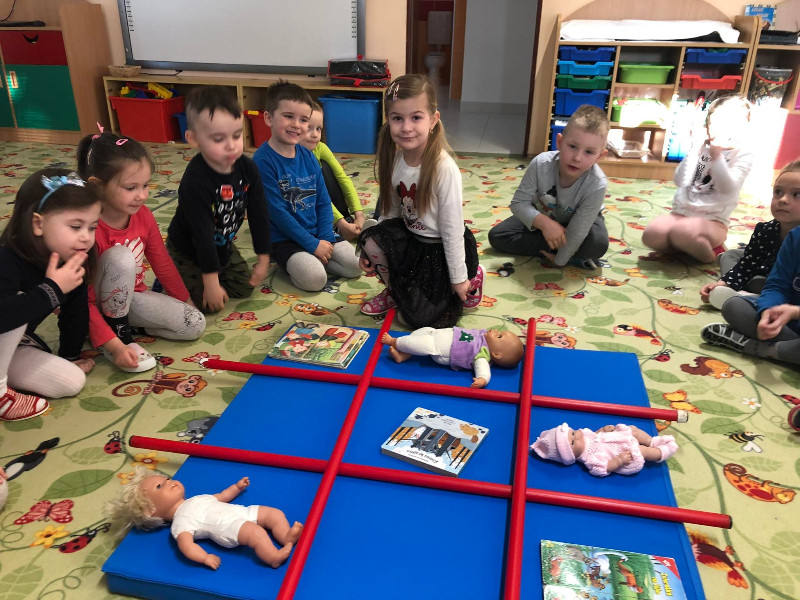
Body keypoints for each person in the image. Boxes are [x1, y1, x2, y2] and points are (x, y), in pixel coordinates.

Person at [358, 74, 483, 328]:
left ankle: (473, 276)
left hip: (439, 249)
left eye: (416, 117)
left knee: (415, 320)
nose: (406, 127)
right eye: (397, 118)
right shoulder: (395, 160)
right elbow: (391, 214)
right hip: (412, 241)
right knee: (371, 238)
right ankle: (395, 291)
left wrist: (459, 278)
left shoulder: (443, 168)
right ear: (388, 120)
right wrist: (373, 248)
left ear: (433, 120)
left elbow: (452, 230)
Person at [77, 132, 206, 373]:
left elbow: (162, 262)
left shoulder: (143, 215)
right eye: (130, 187)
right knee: (121, 256)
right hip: (90, 307)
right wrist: (115, 346)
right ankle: (116, 334)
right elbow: (80, 299)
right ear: (97, 185)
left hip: (131, 299)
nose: (143, 195)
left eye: (145, 185)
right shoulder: (86, 228)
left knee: (194, 323)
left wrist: (186, 301)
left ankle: (124, 325)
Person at [0, 168, 99, 421]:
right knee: (15, 308)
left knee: (72, 381)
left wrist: (70, 355)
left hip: (11, 344)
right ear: (38, 223)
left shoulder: (70, 257)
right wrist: (52, 289)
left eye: (92, 227)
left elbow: (75, 312)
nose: (86, 237)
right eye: (75, 226)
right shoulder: (6, 259)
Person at [167, 86, 272, 313]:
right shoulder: (195, 180)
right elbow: (201, 235)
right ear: (193, 139)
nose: (231, 145)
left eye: (237, 135)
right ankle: (169, 278)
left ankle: (209, 272)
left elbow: (259, 214)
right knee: (207, 305)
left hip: (222, 243)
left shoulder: (248, 168)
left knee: (244, 287)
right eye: (218, 139)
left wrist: (263, 257)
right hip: (188, 249)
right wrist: (211, 282)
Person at [252, 82, 361, 292]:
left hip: (318, 231)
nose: (297, 125)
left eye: (303, 119)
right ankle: (295, 263)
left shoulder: (308, 156)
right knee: (315, 280)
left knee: (356, 265)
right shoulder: (262, 161)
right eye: (288, 116)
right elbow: (278, 214)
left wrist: (324, 238)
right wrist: (312, 245)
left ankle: (315, 259)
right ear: (268, 118)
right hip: (285, 239)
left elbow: (323, 201)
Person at [487, 104, 610, 269]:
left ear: (600, 156)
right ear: (559, 142)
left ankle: (562, 249)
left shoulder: (597, 184)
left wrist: (560, 260)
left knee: (598, 244)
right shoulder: (541, 163)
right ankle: (563, 246)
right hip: (543, 214)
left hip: (582, 222)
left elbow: (579, 230)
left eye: (589, 152)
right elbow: (518, 204)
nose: (577, 158)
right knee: (498, 236)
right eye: (572, 146)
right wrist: (546, 224)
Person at [105, 467, 303, 569]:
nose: (170, 482)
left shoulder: (197, 498)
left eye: (167, 479)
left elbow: (222, 496)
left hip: (241, 512)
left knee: (274, 513)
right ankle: (273, 557)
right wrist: (205, 557)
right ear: (150, 510)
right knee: (256, 533)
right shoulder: (180, 523)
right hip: (229, 528)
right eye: (160, 486)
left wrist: (236, 487)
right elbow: (186, 546)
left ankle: (286, 536)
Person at [642, 95, 754, 263]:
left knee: (684, 232)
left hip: (713, 221)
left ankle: (712, 253)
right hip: (680, 214)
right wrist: (694, 149)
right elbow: (680, 181)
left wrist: (717, 158)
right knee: (652, 234)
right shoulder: (701, 147)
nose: (719, 129)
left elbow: (727, 188)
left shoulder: (743, 154)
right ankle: (684, 247)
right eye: (714, 122)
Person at [701, 160, 800, 309]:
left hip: (783, 287)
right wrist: (722, 283)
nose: (783, 200)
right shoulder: (765, 230)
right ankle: (740, 290)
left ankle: (747, 294)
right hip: (763, 270)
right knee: (730, 255)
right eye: (778, 192)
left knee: (760, 283)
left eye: (796, 194)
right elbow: (747, 265)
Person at [701, 221, 800, 366]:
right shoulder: (795, 237)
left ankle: (761, 348)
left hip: (792, 315)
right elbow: (777, 286)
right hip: (787, 322)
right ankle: (789, 349)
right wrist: (767, 310)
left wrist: (795, 312)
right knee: (733, 305)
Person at [300, 101, 366, 242]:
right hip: (307, 207)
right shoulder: (294, 156)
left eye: (318, 129)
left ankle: (343, 218)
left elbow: (343, 178)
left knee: (326, 168)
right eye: (309, 128)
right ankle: (335, 224)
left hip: (327, 206)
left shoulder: (320, 148)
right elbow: (315, 193)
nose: (315, 135)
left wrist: (359, 214)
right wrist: (340, 223)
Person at [381, 327, 524, 388]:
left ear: (496, 354)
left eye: (499, 336)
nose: (496, 331)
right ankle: (403, 355)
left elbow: (484, 371)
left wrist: (482, 380)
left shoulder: (482, 355)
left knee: (421, 344)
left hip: (441, 348)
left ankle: (394, 341)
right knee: (423, 332)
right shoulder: (483, 336)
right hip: (438, 334)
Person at [530, 422, 678, 477]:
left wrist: (603, 430)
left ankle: (652, 441)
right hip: (620, 453)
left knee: (633, 430)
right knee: (640, 451)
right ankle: (660, 452)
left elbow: (595, 434)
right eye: (573, 442)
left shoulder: (585, 435)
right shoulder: (589, 459)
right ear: (571, 455)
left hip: (616, 438)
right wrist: (619, 460)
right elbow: (602, 469)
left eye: (573, 433)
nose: (578, 436)